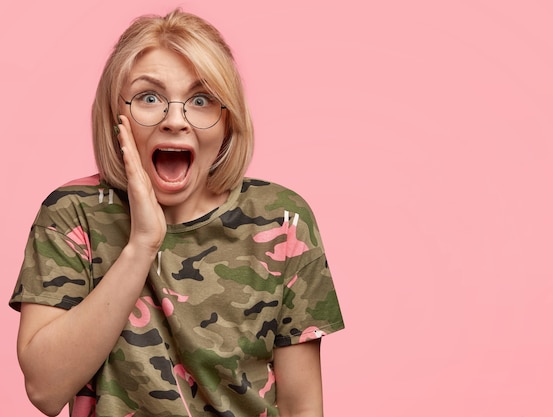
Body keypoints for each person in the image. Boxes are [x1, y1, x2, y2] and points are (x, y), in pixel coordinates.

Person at [9, 9, 344, 417]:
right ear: (117, 116)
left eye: (201, 100)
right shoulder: (72, 214)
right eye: (149, 98)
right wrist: (141, 245)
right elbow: (44, 389)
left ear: (227, 121)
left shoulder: (283, 220)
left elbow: (301, 406)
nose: (174, 121)